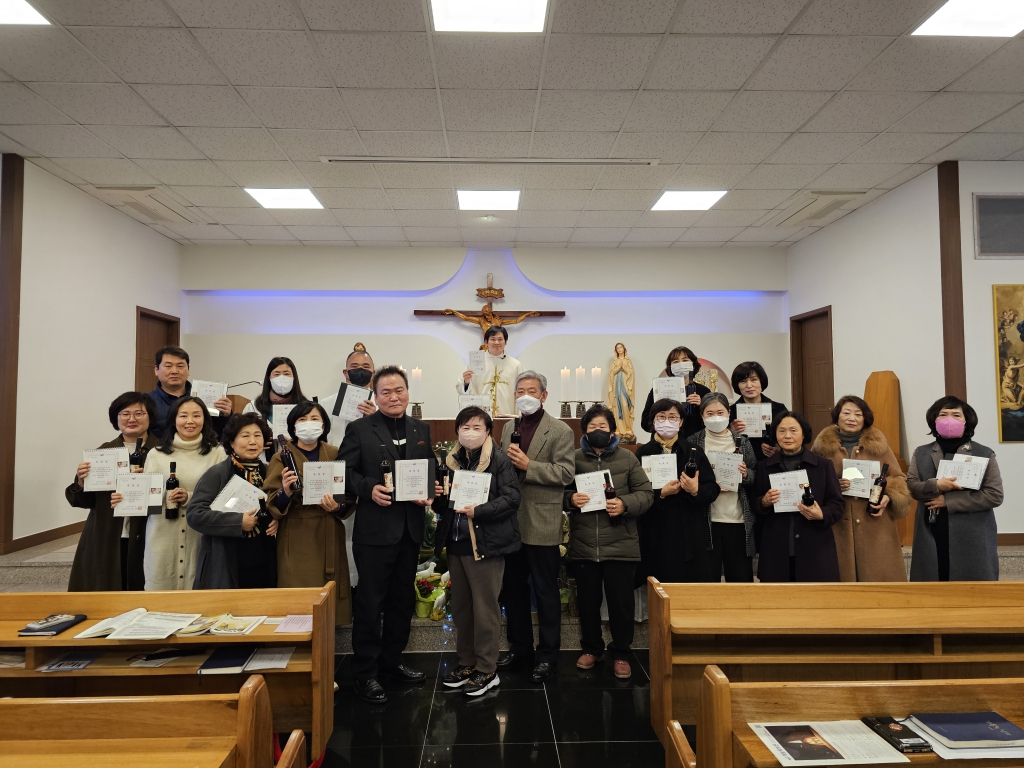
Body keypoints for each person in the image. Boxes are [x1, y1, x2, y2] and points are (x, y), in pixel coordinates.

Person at [337, 365, 442, 704]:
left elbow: (428, 470)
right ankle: (365, 673)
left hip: (410, 529)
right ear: (376, 396)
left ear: (407, 392)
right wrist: (368, 488)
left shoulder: (420, 428)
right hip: (374, 531)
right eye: (386, 392)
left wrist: (431, 489)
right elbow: (344, 472)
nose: (394, 397)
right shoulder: (359, 429)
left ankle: (392, 661)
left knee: (401, 601)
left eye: (399, 390)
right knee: (370, 603)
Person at [436, 406, 522, 697]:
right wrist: (437, 496)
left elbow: (512, 499)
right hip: (457, 544)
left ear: (487, 432)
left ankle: (487, 669)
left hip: (486, 545)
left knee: (485, 611)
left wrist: (480, 510)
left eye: (477, 427)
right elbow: (445, 504)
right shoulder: (451, 461)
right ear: (457, 430)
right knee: (461, 610)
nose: (470, 432)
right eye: (465, 427)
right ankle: (467, 663)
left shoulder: (499, 461)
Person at [497, 371, 575, 683]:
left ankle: (547, 656)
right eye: (520, 391)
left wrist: (530, 466)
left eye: (532, 390)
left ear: (544, 395)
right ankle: (519, 649)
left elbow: (566, 473)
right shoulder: (508, 427)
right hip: (510, 523)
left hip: (542, 521)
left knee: (545, 592)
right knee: (513, 591)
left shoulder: (560, 430)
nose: (525, 396)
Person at [565, 404, 654, 679]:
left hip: (620, 545)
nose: (598, 431)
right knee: (587, 604)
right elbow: (558, 492)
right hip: (584, 545)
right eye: (592, 427)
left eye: (602, 426)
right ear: (584, 432)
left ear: (613, 431)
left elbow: (646, 494)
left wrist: (625, 504)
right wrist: (570, 499)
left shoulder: (628, 459)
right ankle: (592, 648)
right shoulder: (573, 458)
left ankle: (622, 653)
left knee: (621, 605)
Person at [264, 401, 353, 617]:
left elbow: (349, 495)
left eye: (314, 419)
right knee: (297, 591)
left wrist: (337, 506)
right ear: (293, 427)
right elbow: (272, 502)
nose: (308, 424)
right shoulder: (281, 457)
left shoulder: (335, 453)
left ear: (323, 426)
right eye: (302, 420)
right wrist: (285, 491)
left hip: (328, 528)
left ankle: (328, 632)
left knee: (329, 590)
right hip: (296, 532)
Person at [811, 395, 912, 582]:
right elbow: (812, 482)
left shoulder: (879, 446)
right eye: (846, 413)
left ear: (865, 418)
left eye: (858, 414)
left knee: (879, 583)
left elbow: (899, 478)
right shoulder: (821, 448)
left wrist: (888, 496)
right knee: (840, 582)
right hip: (837, 525)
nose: (852, 418)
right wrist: (834, 485)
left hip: (874, 524)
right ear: (837, 416)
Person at [67, 392, 159, 591]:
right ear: (116, 418)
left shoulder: (161, 451)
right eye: (125, 413)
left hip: (147, 534)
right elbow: (83, 501)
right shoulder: (103, 453)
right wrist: (82, 482)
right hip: (107, 535)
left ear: (150, 417)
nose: (131, 419)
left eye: (139, 413)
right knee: (107, 589)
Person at [908, 396, 1003, 582]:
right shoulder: (921, 452)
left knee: (972, 588)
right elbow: (911, 487)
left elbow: (994, 495)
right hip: (931, 529)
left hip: (972, 533)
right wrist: (936, 485)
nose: (949, 419)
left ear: (966, 421)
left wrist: (948, 501)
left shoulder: (984, 453)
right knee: (932, 584)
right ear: (934, 420)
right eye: (943, 414)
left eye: (956, 415)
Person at [137, 395, 226, 590]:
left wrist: (189, 497)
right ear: (173, 420)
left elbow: (224, 496)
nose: (190, 421)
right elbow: (146, 497)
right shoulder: (156, 453)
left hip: (200, 534)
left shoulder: (217, 453)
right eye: (183, 416)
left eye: (197, 415)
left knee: (198, 589)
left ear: (205, 420)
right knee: (161, 590)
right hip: (162, 533)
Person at [188, 413, 279, 590]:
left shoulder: (268, 472)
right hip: (227, 561)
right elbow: (195, 515)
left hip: (263, 559)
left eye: (258, 435)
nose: (252, 442)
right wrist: (238, 522)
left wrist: (275, 519)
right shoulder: (217, 473)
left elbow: (273, 506)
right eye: (245, 436)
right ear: (231, 442)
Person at [636, 399, 720, 583]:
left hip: (688, 532)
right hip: (656, 531)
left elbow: (713, 488)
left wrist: (696, 490)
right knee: (659, 588)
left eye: (672, 417)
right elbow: (635, 493)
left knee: (690, 588)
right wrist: (660, 494)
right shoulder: (642, 453)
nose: (667, 421)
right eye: (661, 417)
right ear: (653, 421)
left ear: (681, 422)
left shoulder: (693, 451)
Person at [754, 411, 844, 582]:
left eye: (793, 430)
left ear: (804, 434)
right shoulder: (764, 467)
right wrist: (764, 501)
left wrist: (822, 514)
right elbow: (754, 502)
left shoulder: (823, 466)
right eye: (781, 431)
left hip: (815, 549)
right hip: (776, 550)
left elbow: (837, 504)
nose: (787, 436)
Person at [688, 393, 758, 582]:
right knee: (707, 578)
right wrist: (707, 486)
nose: (715, 417)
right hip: (706, 520)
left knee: (740, 578)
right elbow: (687, 476)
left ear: (729, 413)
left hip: (737, 519)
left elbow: (755, 475)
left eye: (720, 412)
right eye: (709, 413)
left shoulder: (742, 441)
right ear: (702, 415)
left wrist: (745, 474)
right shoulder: (693, 442)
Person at [148, 346, 231, 438]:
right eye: (168, 366)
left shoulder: (203, 397)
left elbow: (221, 433)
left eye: (180, 366)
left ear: (188, 370)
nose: (174, 371)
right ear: (156, 370)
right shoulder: (147, 402)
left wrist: (226, 415)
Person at [639, 346, 710, 438]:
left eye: (685, 360)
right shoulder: (658, 389)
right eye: (675, 362)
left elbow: (710, 424)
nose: (680, 364)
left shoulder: (703, 391)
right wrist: (659, 412)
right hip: (662, 443)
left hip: (692, 443)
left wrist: (702, 407)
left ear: (693, 364)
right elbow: (645, 423)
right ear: (670, 367)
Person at [457, 325, 525, 417]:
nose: (496, 342)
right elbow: (464, 392)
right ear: (486, 342)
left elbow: (523, 391)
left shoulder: (516, 365)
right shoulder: (475, 363)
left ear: (506, 342)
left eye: (500, 339)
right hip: (482, 416)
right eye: (493, 339)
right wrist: (466, 382)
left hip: (508, 414)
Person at [728, 361, 789, 460]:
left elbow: (789, 435)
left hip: (772, 463)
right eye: (743, 381)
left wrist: (780, 449)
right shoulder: (729, 412)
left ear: (761, 381)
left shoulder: (779, 409)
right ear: (737, 385)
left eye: (754, 380)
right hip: (742, 465)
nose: (749, 385)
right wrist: (730, 432)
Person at [321, 345, 378, 446]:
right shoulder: (326, 404)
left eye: (366, 367)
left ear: (373, 373)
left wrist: (376, 418)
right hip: (337, 453)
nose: (360, 369)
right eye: (354, 366)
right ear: (346, 373)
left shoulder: (382, 404)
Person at [243, 356, 308, 420]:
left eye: (286, 374)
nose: (281, 378)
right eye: (276, 374)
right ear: (269, 378)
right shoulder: (253, 407)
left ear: (294, 377)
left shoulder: (306, 407)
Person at [607, 342, 636, 441]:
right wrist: (618, 367)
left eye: (621, 347)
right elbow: (611, 373)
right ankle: (618, 429)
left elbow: (631, 373)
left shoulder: (628, 360)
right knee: (616, 406)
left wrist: (624, 367)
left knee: (625, 405)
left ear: (624, 348)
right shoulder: (615, 361)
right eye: (617, 348)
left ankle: (628, 428)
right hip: (617, 387)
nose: (619, 349)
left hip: (625, 386)